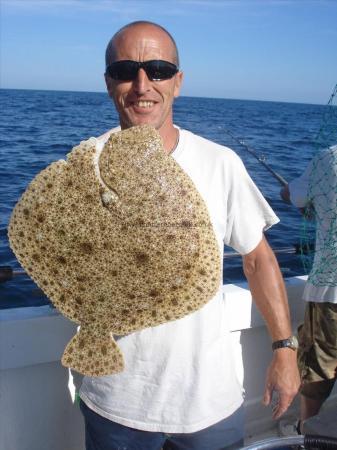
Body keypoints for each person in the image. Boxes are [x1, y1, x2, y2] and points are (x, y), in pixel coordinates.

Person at [78, 20, 300, 450]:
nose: (143, 85)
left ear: (178, 82)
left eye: (158, 69)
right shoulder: (81, 168)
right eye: (126, 70)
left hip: (208, 402)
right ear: (109, 83)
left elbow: (256, 258)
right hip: (114, 400)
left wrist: (285, 349)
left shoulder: (221, 163)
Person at [280, 145, 337, 433]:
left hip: (331, 293)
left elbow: (291, 195)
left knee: (318, 370)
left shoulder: (329, 157)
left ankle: (305, 431)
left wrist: (292, 193)